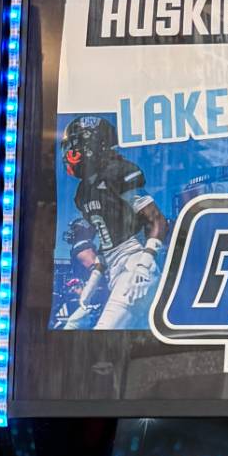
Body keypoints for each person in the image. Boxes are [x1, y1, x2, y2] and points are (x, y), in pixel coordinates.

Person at [60, 115, 168, 330]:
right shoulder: (83, 192)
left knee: (104, 334)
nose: (70, 153)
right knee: (72, 328)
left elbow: (157, 220)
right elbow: (105, 247)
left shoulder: (117, 172)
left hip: (135, 264)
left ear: (92, 145)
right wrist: (89, 290)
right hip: (114, 268)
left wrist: (144, 266)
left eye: (75, 145)